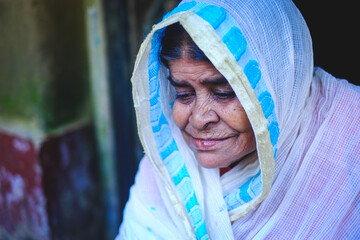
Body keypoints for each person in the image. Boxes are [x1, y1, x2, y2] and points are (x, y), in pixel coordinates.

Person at [116, 0, 360, 239]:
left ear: (277, 84)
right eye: (183, 94)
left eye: (223, 93)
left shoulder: (350, 136)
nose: (200, 119)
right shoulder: (167, 168)